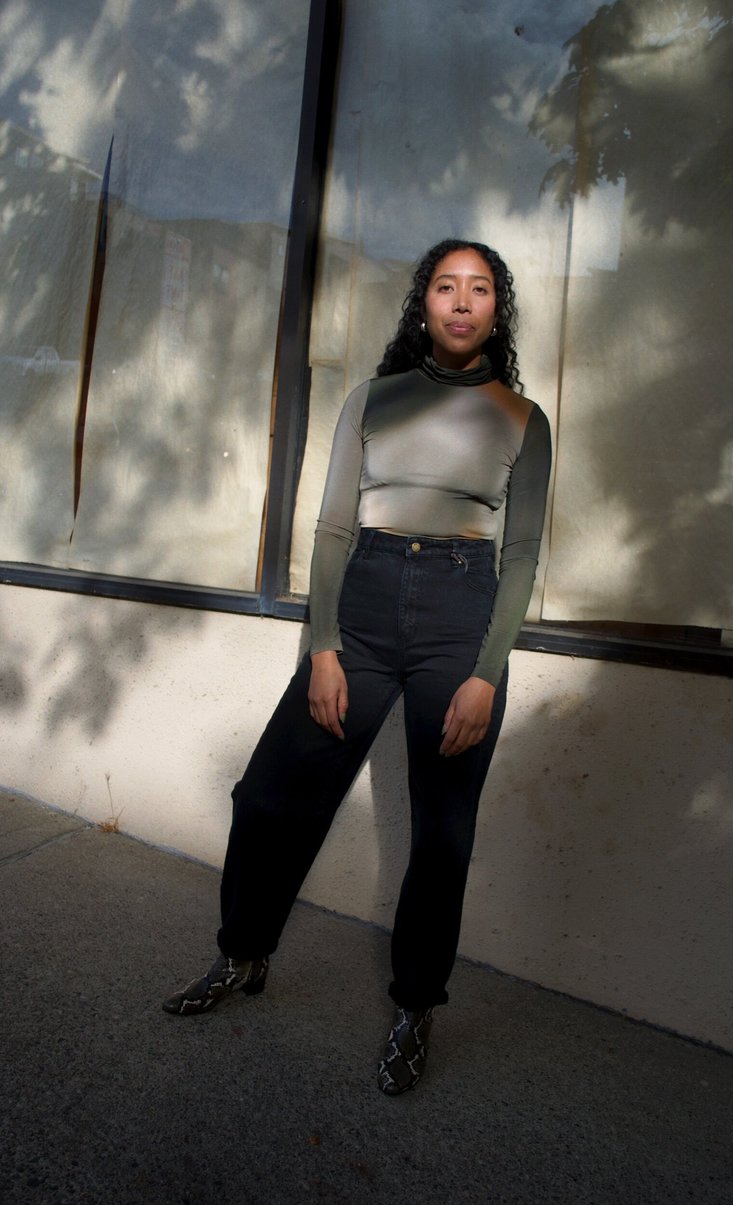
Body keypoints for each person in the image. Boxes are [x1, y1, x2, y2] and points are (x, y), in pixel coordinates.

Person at [162, 238, 552, 1095]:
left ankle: (415, 1006)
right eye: (445, 286)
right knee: (268, 796)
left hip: (461, 617)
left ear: (497, 310)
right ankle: (243, 952)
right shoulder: (372, 399)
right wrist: (324, 647)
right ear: (423, 304)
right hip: (364, 606)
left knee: (443, 833)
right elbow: (334, 527)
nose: (461, 301)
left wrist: (487, 673)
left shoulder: (524, 419)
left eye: (479, 288)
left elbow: (522, 555)